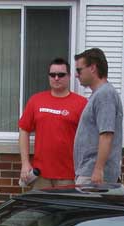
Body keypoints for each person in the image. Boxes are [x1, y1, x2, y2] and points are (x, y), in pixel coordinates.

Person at [18, 58, 87, 190]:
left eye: (61, 75)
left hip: (69, 175)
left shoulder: (81, 103)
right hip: (40, 175)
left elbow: (89, 139)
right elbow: (24, 129)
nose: (56, 78)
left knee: (66, 210)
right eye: (52, 75)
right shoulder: (36, 100)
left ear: (69, 76)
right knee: (40, 211)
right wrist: (25, 163)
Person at [73, 48, 124, 185]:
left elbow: (106, 134)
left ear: (93, 68)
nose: (77, 75)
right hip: (90, 172)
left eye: (79, 70)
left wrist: (98, 169)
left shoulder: (105, 95)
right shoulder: (99, 94)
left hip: (94, 175)